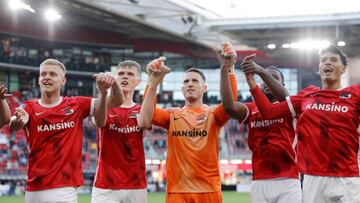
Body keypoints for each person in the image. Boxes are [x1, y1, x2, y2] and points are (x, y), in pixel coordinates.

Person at [243, 45, 360, 203]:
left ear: (344, 68)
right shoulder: (308, 95)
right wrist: (253, 81)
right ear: (319, 68)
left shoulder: (355, 94)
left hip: (347, 176)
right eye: (323, 60)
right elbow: (270, 112)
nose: (328, 63)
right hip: (313, 177)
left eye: (333, 60)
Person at [9, 59, 123, 203]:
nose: (47, 77)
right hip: (34, 188)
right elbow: (14, 123)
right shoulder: (28, 107)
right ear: (38, 80)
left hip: (65, 188)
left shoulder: (77, 104)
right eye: (43, 74)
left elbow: (117, 101)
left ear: (63, 80)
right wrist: (18, 121)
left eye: (52, 74)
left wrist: (112, 84)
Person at [138, 44, 238, 203]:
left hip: (209, 191)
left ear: (205, 88)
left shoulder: (213, 115)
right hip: (178, 192)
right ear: (182, 88)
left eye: (194, 81)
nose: (190, 84)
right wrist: (152, 83)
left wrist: (228, 69)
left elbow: (230, 103)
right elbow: (146, 116)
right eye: (186, 81)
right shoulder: (172, 115)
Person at [220, 54, 301, 202]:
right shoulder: (252, 109)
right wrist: (225, 69)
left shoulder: (291, 107)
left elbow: (286, 98)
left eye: (274, 78)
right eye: (264, 80)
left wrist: (261, 71)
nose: (266, 82)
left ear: (282, 85)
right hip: (259, 181)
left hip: (289, 179)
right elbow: (228, 106)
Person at [91, 60, 150, 203]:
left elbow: (146, 126)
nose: (125, 77)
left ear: (139, 81)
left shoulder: (142, 111)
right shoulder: (103, 104)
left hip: (136, 184)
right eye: (121, 74)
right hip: (105, 184)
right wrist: (103, 94)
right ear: (115, 78)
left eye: (130, 74)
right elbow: (98, 122)